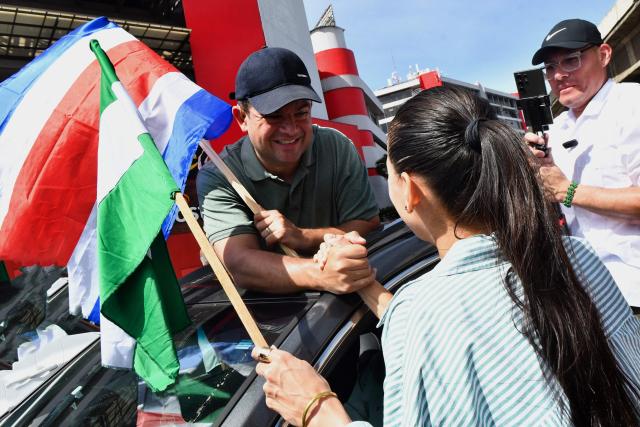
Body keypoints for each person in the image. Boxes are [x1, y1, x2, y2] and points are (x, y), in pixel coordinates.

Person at [252, 87, 640, 426]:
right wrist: (368, 284)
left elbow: (446, 322)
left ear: (410, 189)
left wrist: (318, 411)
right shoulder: (579, 257)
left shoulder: (424, 317)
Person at [197, 47, 380, 293]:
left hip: (344, 313)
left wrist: (303, 236)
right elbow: (240, 263)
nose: (291, 129)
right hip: (269, 320)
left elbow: (367, 221)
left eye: (301, 113)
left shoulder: (337, 148)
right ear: (241, 118)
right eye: (274, 117)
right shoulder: (219, 176)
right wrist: (322, 275)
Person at [525, 18, 640, 306]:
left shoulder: (632, 106)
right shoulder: (557, 128)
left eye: (571, 60)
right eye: (550, 68)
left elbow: (564, 190)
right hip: (586, 295)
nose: (558, 75)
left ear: (604, 55)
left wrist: (567, 190)